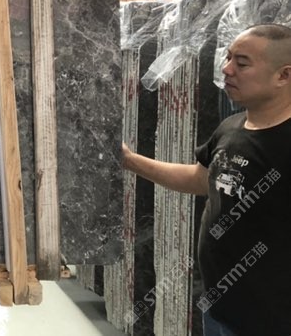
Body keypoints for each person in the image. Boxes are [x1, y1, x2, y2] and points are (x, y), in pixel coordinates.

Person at [123, 23, 291, 336]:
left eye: (242, 63)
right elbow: (201, 179)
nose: (226, 69)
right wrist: (130, 160)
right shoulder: (231, 127)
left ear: (283, 75)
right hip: (220, 307)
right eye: (228, 58)